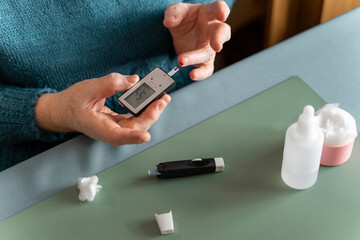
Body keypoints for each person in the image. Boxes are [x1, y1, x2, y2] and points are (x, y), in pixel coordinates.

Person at [0, 0, 234, 171]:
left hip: (190, 90)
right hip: (48, 153)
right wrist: (55, 111)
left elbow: (218, 7)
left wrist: (199, 15)